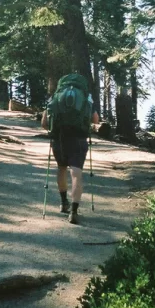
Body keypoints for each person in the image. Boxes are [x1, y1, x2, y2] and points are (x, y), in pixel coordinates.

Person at [41, 74, 99, 224]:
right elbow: (95, 120)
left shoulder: (56, 96)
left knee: (61, 169)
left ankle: (63, 203)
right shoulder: (87, 97)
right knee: (76, 174)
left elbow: (44, 122)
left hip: (59, 139)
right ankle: (73, 211)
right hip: (79, 139)